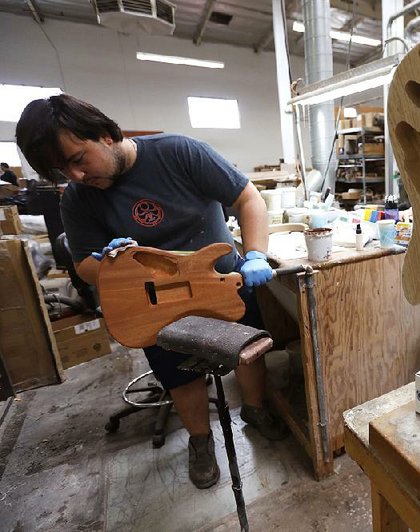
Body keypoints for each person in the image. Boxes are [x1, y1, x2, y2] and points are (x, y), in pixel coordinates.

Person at [15, 94, 286, 489]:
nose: (74, 176)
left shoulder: (179, 152)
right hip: (157, 303)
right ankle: (200, 441)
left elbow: (247, 198)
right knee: (179, 377)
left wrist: (257, 253)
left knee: (248, 355)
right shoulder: (78, 197)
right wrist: (108, 263)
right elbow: (84, 267)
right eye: (61, 170)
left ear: (105, 135)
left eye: (77, 159)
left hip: (223, 283)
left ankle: (256, 411)